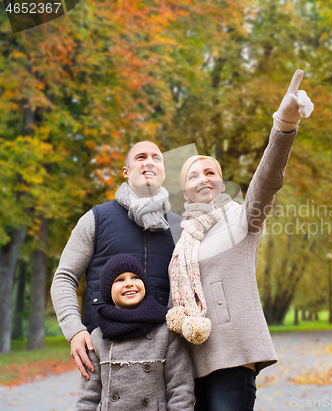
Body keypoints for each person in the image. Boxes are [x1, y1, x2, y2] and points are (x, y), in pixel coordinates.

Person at [166, 69, 314, 410]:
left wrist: (284, 125)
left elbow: (267, 179)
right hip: (187, 363)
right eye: (193, 175)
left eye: (211, 172)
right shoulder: (181, 235)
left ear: (221, 181)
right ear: (183, 188)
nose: (203, 179)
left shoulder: (241, 218)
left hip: (232, 357)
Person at [51, 141, 183, 380]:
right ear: (126, 171)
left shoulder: (180, 227)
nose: (149, 162)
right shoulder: (96, 219)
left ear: (164, 172)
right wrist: (74, 330)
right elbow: (64, 277)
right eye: (141, 157)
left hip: (164, 353)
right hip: (106, 350)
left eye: (156, 158)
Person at [76, 254, 195, 411]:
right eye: (119, 280)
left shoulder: (165, 331)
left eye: (135, 277)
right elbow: (88, 396)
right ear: (107, 290)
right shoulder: (98, 337)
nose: (129, 284)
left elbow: (180, 389)